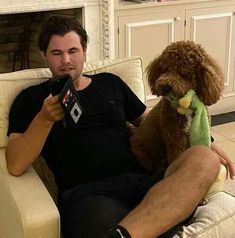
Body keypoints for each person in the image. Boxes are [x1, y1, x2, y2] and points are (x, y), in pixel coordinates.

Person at [5, 15, 234, 238]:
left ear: (84, 51)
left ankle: (125, 233)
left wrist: (202, 139)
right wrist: (43, 120)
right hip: (88, 195)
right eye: (57, 53)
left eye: (72, 51)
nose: (66, 60)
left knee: (204, 158)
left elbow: (152, 122)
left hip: (142, 182)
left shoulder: (110, 83)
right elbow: (15, 164)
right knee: (104, 221)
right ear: (44, 55)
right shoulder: (31, 99)